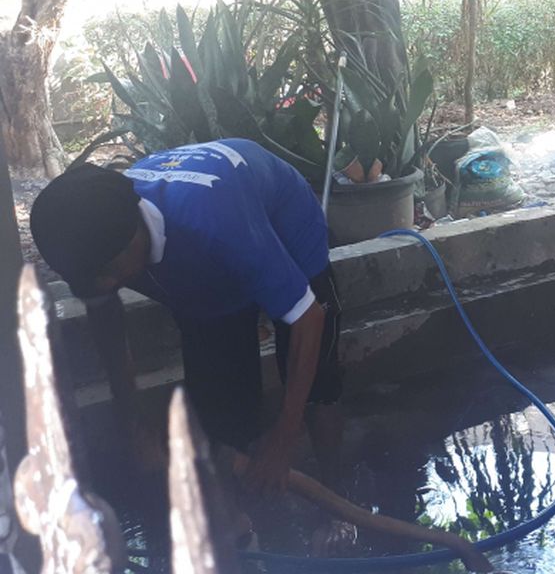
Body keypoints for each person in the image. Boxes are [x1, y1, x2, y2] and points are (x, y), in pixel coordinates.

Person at [30, 139, 350, 537]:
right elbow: (106, 320)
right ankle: (238, 525)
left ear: (134, 236)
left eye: (110, 273)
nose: (107, 284)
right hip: (205, 271)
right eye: (91, 280)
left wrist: (284, 438)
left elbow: (308, 317)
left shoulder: (213, 223)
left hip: (284, 225)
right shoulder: (98, 240)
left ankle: (337, 510)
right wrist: (133, 426)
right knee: (218, 409)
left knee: (318, 384)